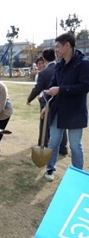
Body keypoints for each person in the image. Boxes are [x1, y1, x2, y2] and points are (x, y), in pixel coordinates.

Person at [42, 32, 89, 181]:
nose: (56, 49)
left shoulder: (84, 63)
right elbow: (52, 85)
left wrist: (61, 89)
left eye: (58, 46)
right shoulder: (59, 65)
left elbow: (84, 87)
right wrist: (46, 104)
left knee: (75, 145)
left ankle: (77, 175)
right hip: (58, 109)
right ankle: (50, 168)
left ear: (67, 45)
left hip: (75, 111)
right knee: (53, 141)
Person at [26, 48, 68, 155]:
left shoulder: (44, 73)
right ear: (55, 56)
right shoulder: (63, 68)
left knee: (45, 124)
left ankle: (43, 144)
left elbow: (38, 88)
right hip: (63, 101)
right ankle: (63, 148)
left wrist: (29, 99)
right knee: (61, 124)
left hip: (48, 102)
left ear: (44, 59)